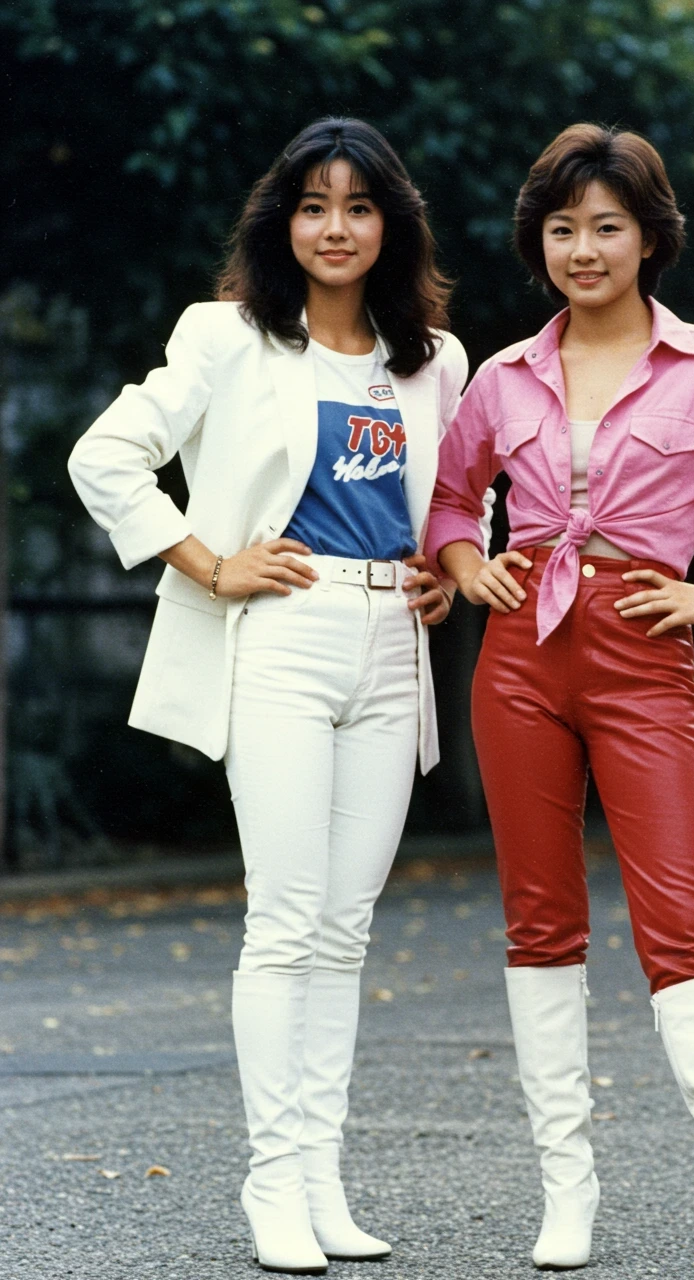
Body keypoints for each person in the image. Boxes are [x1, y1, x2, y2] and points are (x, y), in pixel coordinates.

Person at [69, 117, 491, 1276]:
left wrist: (445, 565)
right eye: (313, 205)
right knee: (287, 919)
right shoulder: (226, 336)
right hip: (282, 638)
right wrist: (208, 563)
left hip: (390, 645)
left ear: (391, 223)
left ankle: (319, 1180)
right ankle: (272, 1182)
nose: (335, 227)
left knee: (345, 930)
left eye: (358, 206)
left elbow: (461, 494)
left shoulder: (433, 359)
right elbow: (105, 456)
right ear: (282, 221)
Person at [427, 123, 694, 1277]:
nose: (582, 249)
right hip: (518, 656)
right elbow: (451, 500)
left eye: (605, 226)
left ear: (648, 237)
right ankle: (566, 1196)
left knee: (680, 927)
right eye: (561, 228)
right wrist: (465, 564)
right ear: (538, 242)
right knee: (539, 923)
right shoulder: (502, 375)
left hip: (644, 651)